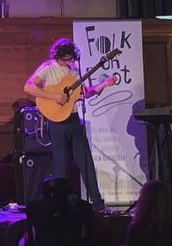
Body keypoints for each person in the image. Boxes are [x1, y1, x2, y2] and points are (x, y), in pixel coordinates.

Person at [23, 37, 113, 209]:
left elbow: (85, 93)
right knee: (61, 166)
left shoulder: (74, 71)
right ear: (57, 57)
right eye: (65, 59)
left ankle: (98, 203)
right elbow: (28, 87)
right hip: (56, 123)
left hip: (73, 120)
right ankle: (59, 205)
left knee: (86, 162)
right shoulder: (48, 68)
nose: (69, 62)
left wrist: (104, 84)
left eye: (71, 59)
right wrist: (55, 96)